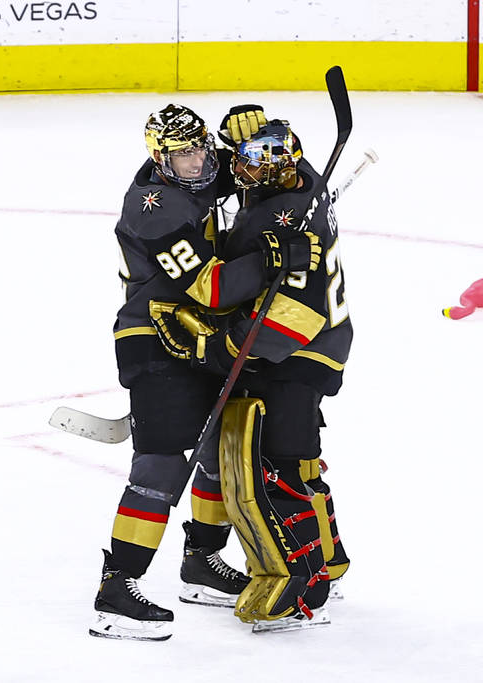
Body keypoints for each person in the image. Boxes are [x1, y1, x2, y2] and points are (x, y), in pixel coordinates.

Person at [90, 106, 319, 641]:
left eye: (199, 149)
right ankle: (117, 590)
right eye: (181, 156)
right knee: (161, 465)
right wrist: (271, 258)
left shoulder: (212, 164)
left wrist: (282, 153)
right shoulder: (155, 209)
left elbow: (270, 163)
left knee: (218, 453)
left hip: (204, 339)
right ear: (159, 159)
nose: (196, 163)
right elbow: (212, 289)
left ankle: (201, 564)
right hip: (153, 337)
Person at [181, 118, 352, 631]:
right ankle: (330, 562)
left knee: (274, 467)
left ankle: (303, 584)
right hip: (319, 348)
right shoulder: (302, 181)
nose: (242, 172)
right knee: (300, 464)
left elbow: (296, 308)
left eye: (253, 165)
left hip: (294, 354)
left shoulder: (283, 217)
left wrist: (226, 348)